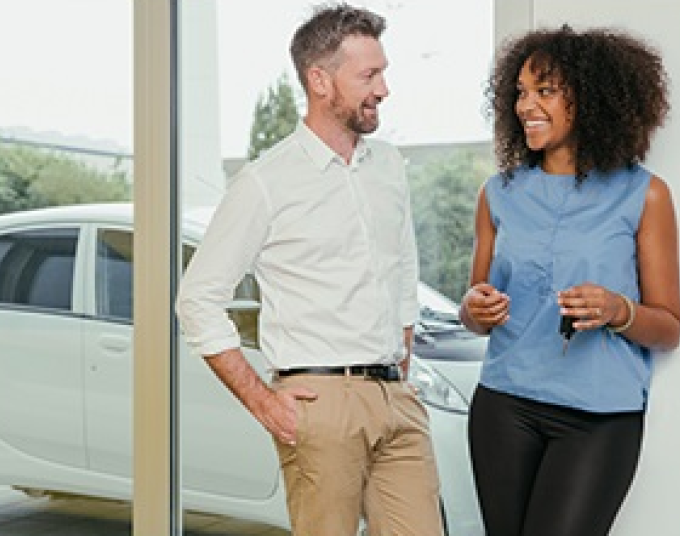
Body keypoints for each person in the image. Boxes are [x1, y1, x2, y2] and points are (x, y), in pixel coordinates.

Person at [176, 4, 444, 536]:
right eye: (369, 75)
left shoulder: (388, 165)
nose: (383, 88)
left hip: (397, 396)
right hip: (321, 403)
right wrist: (263, 401)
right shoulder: (265, 182)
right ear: (319, 80)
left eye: (383, 72)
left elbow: (401, 268)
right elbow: (197, 299)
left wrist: (403, 364)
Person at [460, 25, 680, 536]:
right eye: (519, 92)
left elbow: (670, 326)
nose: (525, 105)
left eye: (545, 91)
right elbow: (474, 310)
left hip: (598, 419)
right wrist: (475, 307)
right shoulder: (499, 193)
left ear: (590, 98)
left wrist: (617, 310)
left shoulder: (645, 195)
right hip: (504, 406)